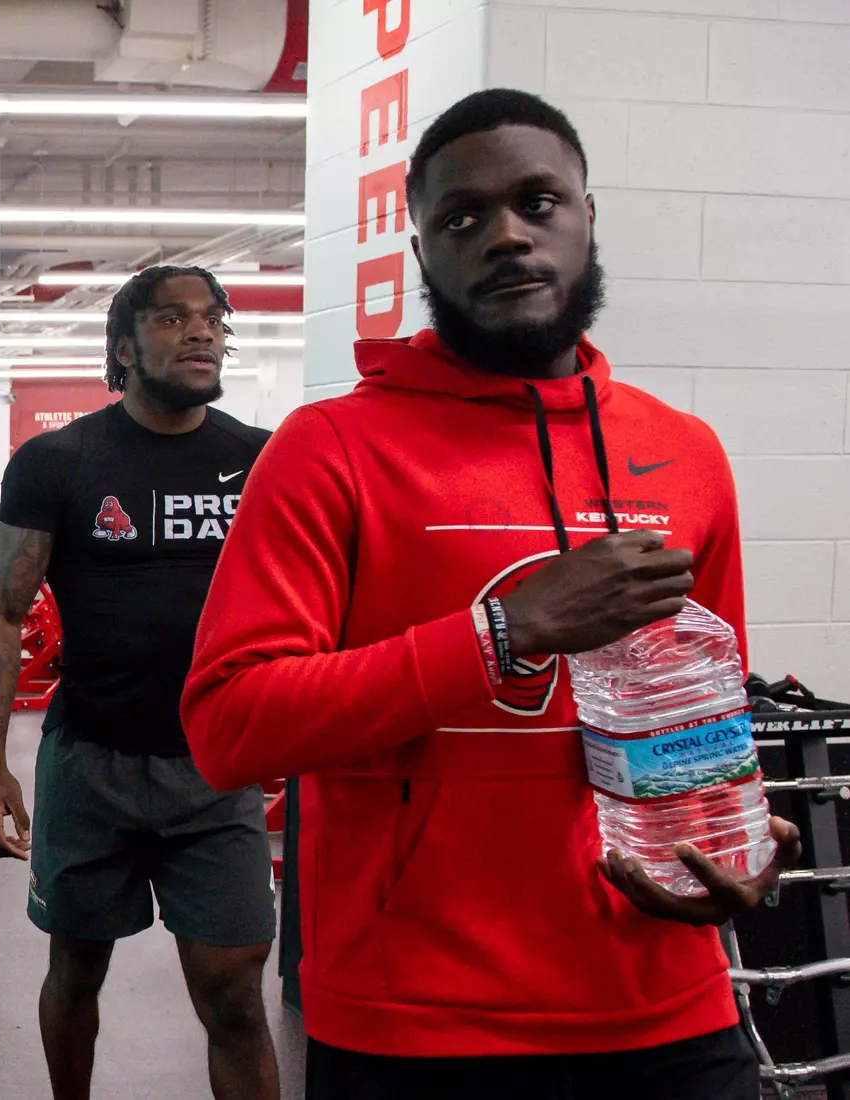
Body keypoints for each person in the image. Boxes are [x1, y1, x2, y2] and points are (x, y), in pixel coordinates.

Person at [182, 89, 802, 1100]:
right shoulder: (331, 449)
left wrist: (728, 836)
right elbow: (231, 723)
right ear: (424, 255)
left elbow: (706, 703)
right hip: (421, 1020)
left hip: (669, 996)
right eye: (462, 218)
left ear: (588, 217)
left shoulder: (684, 452)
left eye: (537, 201)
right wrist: (505, 633)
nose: (506, 235)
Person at [0, 265, 279, 1100]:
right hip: (88, 761)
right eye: (173, 320)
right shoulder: (57, 462)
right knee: (74, 973)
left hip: (215, 769)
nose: (201, 332)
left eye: (212, 318)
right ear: (123, 347)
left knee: (238, 998)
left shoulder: (260, 459)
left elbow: (299, 607)